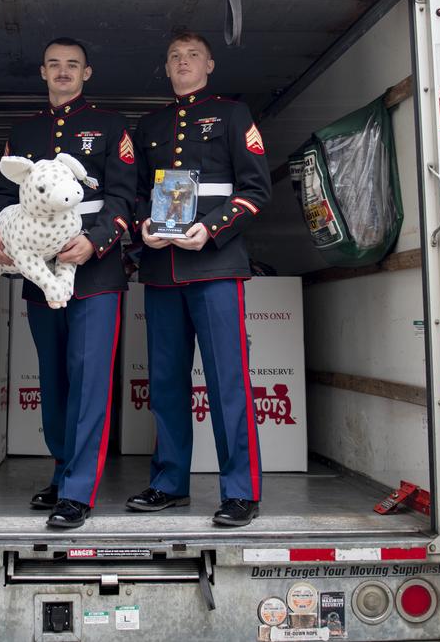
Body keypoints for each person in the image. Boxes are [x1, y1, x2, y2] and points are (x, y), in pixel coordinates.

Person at [0, 37, 136, 529]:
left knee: (89, 381)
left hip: (96, 270)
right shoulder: (24, 130)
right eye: (54, 66)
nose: (63, 72)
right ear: (43, 73)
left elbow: (125, 196)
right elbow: (2, 191)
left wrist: (95, 241)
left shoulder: (111, 127)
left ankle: (78, 490)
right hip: (39, 273)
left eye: (73, 65)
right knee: (54, 380)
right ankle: (64, 470)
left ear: (87, 73)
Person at [128, 31, 271, 526]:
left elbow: (256, 191)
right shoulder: (149, 125)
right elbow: (139, 195)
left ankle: (240, 491)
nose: (183, 63)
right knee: (165, 383)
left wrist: (209, 229)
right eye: (174, 57)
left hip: (214, 265)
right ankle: (170, 483)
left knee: (226, 380)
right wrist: (143, 226)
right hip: (162, 269)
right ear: (165, 69)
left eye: (192, 55)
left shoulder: (233, 115)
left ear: (209, 63)